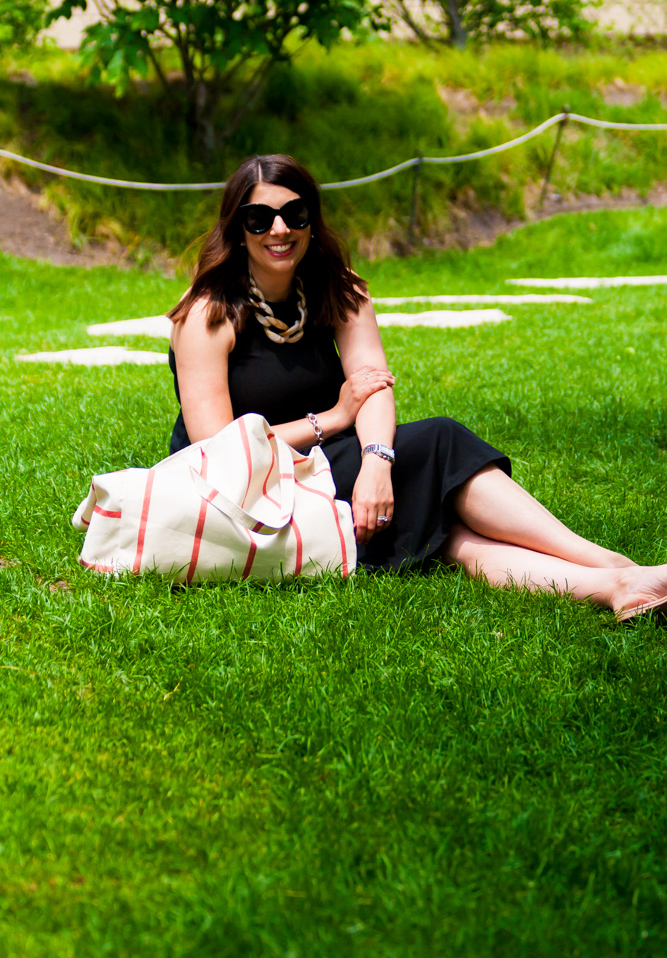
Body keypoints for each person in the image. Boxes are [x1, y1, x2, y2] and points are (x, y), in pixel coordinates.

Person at [167, 153, 667, 622]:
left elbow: (374, 384)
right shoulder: (208, 313)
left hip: (329, 458)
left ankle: (619, 587)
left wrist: (377, 463)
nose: (280, 229)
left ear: (312, 220)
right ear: (237, 229)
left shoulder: (338, 286)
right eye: (259, 218)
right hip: (247, 484)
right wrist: (335, 420)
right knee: (440, 443)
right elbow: (218, 449)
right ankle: (613, 563)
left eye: (294, 213)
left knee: (449, 535)